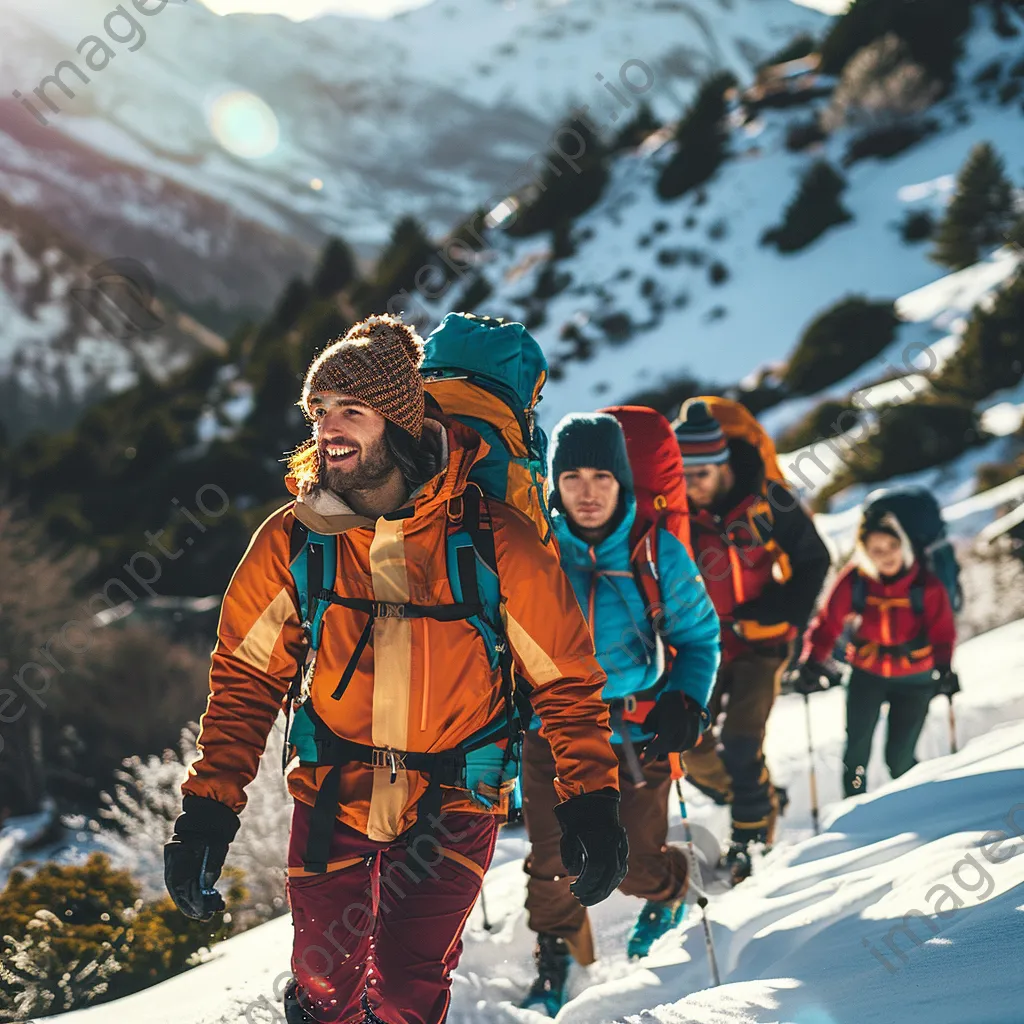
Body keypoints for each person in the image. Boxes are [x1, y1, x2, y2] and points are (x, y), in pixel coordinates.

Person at [163, 315, 628, 1024]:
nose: (330, 428)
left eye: (353, 411)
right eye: (321, 411)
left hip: (456, 795)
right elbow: (247, 677)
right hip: (332, 787)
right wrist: (207, 810)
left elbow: (564, 679)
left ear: (401, 423)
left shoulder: (493, 537)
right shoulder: (296, 537)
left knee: (410, 991)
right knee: (324, 985)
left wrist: (590, 798)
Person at [521, 413, 720, 1011]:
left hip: (637, 730)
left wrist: (685, 698)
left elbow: (700, 637)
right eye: (572, 475)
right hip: (550, 733)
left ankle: (673, 883)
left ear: (623, 482)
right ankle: (558, 957)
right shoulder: (534, 552)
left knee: (632, 863)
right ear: (553, 483)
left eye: (601, 475)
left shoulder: (658, 553)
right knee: (553, 860)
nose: (587, 490)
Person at [675, 400, 830, 882]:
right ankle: (759, 797)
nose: (690, 484)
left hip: (761, 643)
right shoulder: (676, 511)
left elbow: (814, 560)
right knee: (689, 745)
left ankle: (750, 839)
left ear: (722, 467)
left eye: (699, 473)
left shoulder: (768, 502)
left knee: (742, 742)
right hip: (703, 644)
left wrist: (781, 611)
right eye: (681, 473)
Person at [792, 507, 957, 797]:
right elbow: (828, 623)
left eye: (892, 546)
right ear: (864, 551)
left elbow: (942, 632)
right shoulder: (855, 581)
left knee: (900, 758)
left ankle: (915, 804)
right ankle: (855, 805)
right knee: (856, 752)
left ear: (903, 545)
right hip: (867, 675)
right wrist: (812, 661)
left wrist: (944, 668)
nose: (886, 555)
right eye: (876, 549)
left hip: (915, 680)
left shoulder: (926, 585)